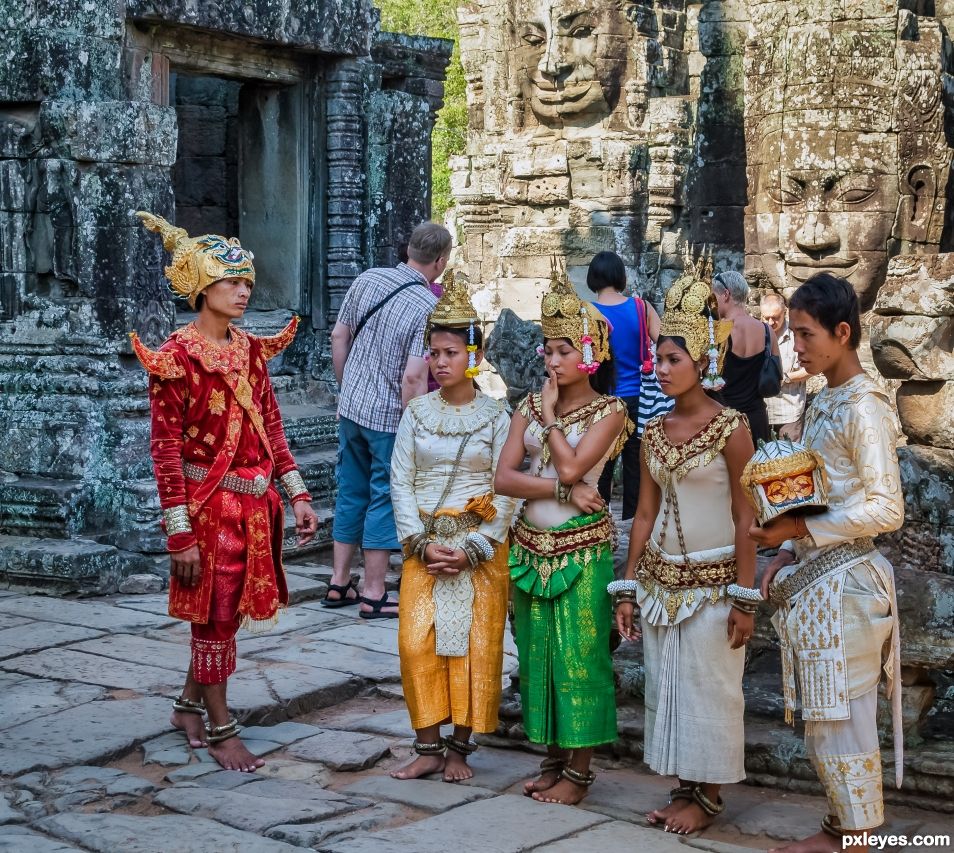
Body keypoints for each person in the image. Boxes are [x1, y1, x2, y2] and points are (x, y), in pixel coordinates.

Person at [130, 212, 318, 772]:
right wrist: (178, 532)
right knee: (211, 616)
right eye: (232, 284)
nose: (242, 293)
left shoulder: (250, 351)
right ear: (203, 290)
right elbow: (164, 450)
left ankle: (188, 705)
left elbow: (272, 426)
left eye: (246, 285)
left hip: (257, 504)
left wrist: (299, 492)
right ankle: (220, 724)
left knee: (228, 613)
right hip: (207, 509)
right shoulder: (176, 358)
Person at [751, 273, 904, 853]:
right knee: (824, 713)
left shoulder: (864, 405)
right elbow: (818, 488)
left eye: (806, 334)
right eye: (792, 333)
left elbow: (886, 506)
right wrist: (789, 546)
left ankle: (860, 837)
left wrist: (800, 529)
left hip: (848, 580)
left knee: (844, 717)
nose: (797, 347)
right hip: (818, 576)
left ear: (843, 333)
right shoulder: (821, 396)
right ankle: (842, 826)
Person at [615, 255, 757, 835]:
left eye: (674, 359)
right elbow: (644, 513)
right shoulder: (653, 429)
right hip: (660, 581)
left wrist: (746, 598)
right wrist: (627, 586)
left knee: (712, 689)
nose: (662, 369)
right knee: (670, 684)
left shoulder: (733, 427)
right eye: (659, 358)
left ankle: (711, 796)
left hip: (716, 578)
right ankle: (684, 785)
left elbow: (746, 513)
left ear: (704, 361)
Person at [495, 270, 630, 806]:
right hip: (530, 543)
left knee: (581, 657)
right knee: (537, 657)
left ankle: (579, 773)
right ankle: (552, 759)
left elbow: (575, 467)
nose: (550, 362)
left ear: (590, 353)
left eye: (562, 351)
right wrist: (556, 486)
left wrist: (551, 419)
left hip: (583, 549)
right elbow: (504, 477)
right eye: (547, 350)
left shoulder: (611, 411)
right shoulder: (526, 405)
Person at [388, 278, 516, 783]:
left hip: (479, 546)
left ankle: (460, 747)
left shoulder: (496, 416)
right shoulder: (417, 413)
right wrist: (419, 541)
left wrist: (475, 549)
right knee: (416, 641)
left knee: (474, 645)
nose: (440, 362)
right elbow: (400, 478)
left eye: (450, 352)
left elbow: (505, 486)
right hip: (425, 544)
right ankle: (426, 744)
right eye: (434, 352)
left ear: (473, 355)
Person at [328, 222, 451, 617]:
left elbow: (338, 336)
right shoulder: (426, 307)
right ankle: (374, 591)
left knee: (350, 490)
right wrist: (417, 424)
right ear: (441, 261)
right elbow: (414, 377)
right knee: (384, 495)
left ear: (409, 249)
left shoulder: (367, 279)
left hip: (351, 407)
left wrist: (349, 387)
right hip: (387, 417)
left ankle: (338, 582)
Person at [588, 250, 660, 521]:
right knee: (635, 464)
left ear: (593, 277)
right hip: (639, 397)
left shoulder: (588, 312)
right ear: (621, 276)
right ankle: (634, 523)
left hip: (601, 398)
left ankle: (598, 520)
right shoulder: (642, 307)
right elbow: (664, 344)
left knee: (600, 462)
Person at [712, 271, 780, 444]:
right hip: (757, 419)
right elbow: (777, 372)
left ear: (726, 294)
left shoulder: (719, 331)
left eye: (714, 297)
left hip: (725, 420)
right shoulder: (767, 331)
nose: (712, 303)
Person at [760, 292, 809, 441]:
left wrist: (786, 378)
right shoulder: (755, 333)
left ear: (785, 312)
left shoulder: (797, 335)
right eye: (765, 317)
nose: (770, 322)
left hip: (789, 413)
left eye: (775, 318)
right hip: (763, 412)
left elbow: (811, 369)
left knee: (791, 461)